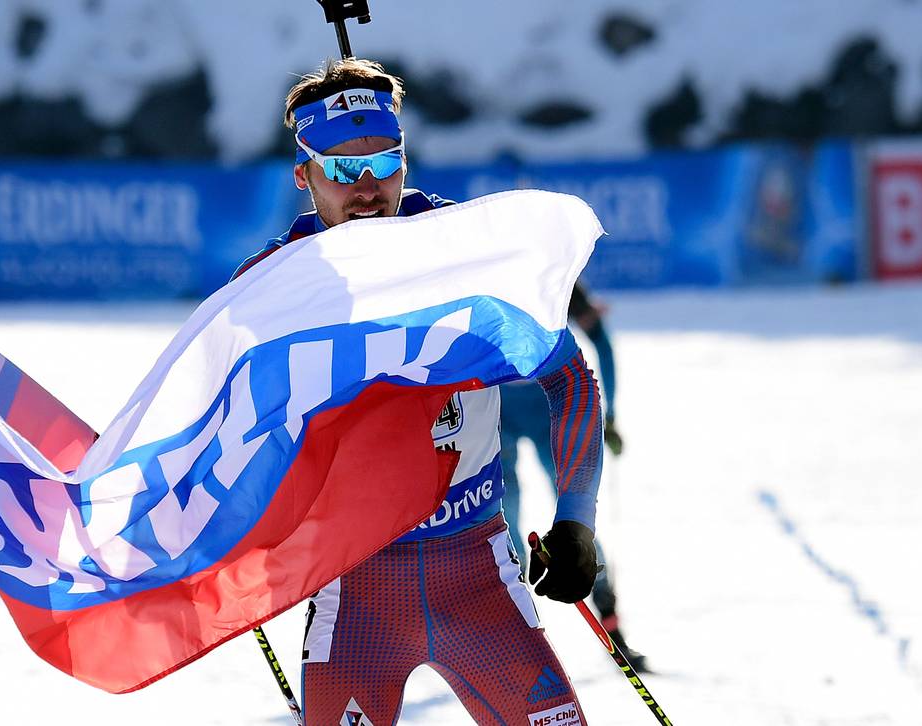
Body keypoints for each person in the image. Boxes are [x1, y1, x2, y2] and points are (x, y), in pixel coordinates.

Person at [231, 58, 606, 726]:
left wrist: (577, 521)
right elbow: (226, 430)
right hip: (355, 593)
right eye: (343, 169)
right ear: (304, 176)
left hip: (480, 577)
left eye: (384, 162)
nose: (367, 187)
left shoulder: (467, 253)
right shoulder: (271, 288)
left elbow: (569, 377)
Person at [499, 282, 651, 672]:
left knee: (575, 523)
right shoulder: (494, 269)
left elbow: (602, 342)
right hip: (503, 413)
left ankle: (610, 626)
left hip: (544, 411)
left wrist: (611, 413)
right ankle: (517, 641)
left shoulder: (553, 275)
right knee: (504, 527)